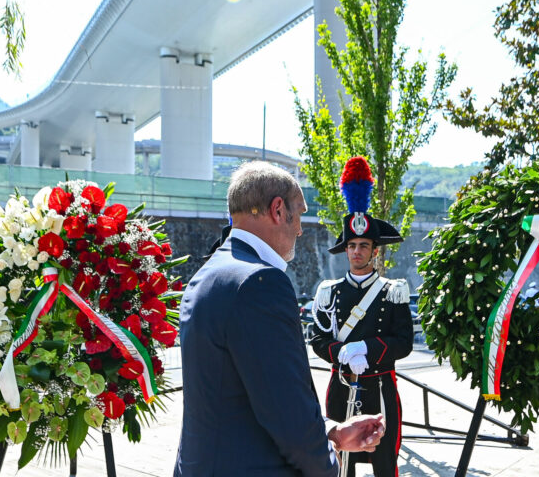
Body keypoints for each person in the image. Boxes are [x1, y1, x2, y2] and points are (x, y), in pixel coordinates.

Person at [174, 162, 384, 477]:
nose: (300, 228)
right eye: (298, 213)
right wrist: (326, 465)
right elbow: (286, 412)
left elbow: (244, 394)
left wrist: (331, 432)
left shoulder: (211, 271)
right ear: (277, 210)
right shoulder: (261, 281)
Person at [310, 156, 413, 477]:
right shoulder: (330, 291)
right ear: (346, 250)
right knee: (341, 463)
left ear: (375, 250)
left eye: (364, 245)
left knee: (384, 463)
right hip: (341, 387)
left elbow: (405, 343)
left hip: (380, 386)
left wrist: (367, 348)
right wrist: (340, 351)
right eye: (352, 245)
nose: (357, 251)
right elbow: (317, 339)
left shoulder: (392, 291)